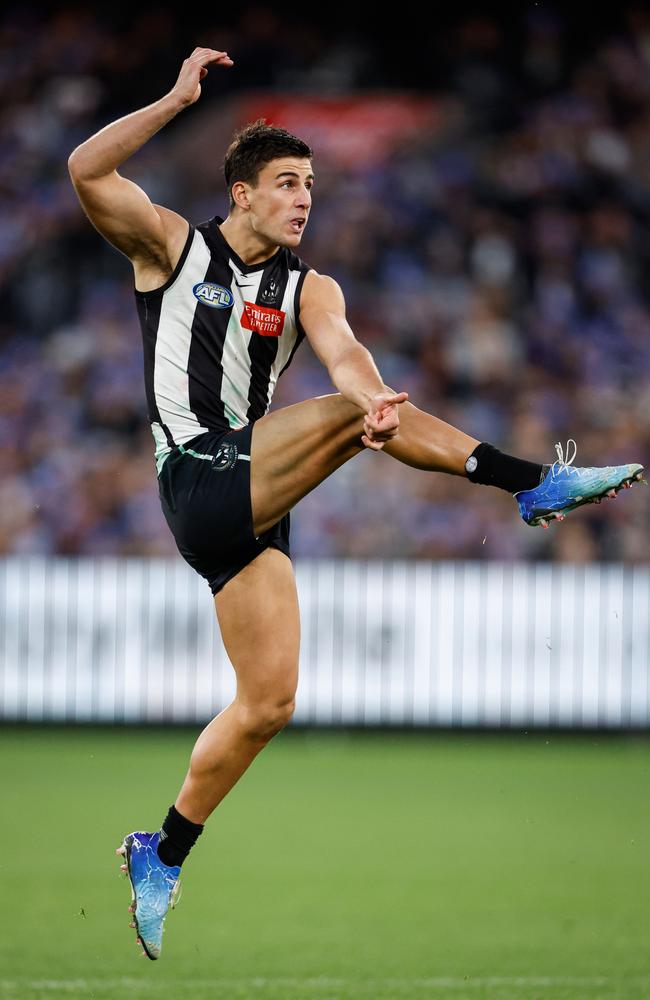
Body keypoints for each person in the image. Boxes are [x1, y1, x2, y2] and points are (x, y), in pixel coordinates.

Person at [68, 47, 644, 960]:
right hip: (197, 473)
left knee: (268, 702)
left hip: (257, 493)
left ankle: (162, 850)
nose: (304, 199)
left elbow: (343, 352)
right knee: (347, 414)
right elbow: (85, 169)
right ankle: (531, 482)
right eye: (287, 184)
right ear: (243, 194)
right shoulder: (174, 247)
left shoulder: (310, 286)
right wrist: (177, 100)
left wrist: (373, 398)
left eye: (311, 186)